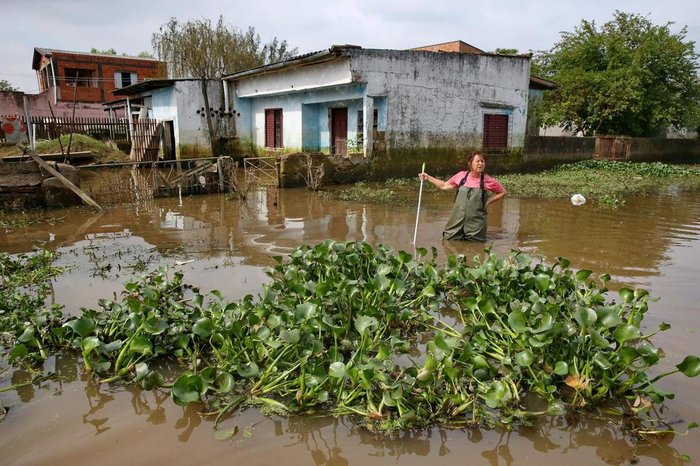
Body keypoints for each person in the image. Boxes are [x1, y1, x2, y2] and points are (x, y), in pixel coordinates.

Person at [418, 152, 506, 242]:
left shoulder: (488, 180)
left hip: (476, 223)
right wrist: (428, 178)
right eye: (477, 161)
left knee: (476, 246)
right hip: (457, 219)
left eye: (482, 161)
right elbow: (444, 185)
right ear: (470, 163)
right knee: (448, 240)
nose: (480, 164)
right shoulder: (461, 176)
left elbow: (502, 192)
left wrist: (488, 202)